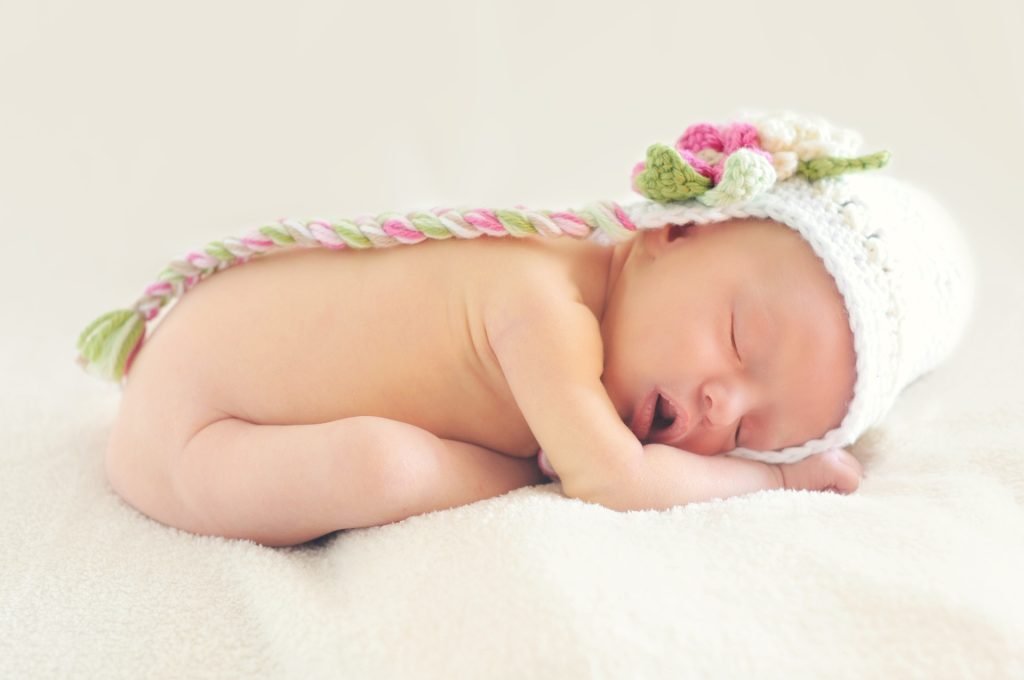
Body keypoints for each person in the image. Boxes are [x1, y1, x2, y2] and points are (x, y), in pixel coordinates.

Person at [77, 112, 974, 547]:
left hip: (208, 388)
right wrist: (769, 473)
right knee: (381, 468)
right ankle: (520, 467)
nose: (718, 402)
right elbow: (614, 484)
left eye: (751, 426)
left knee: (392, 459)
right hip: (189, 439)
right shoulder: (543, 303)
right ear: (673, 232)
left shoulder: (585, 291)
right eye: (739, 341)